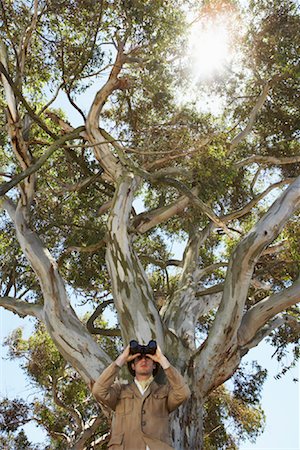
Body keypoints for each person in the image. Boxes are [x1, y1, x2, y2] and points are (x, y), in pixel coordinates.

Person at [92, 342, 191, 449]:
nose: (143, 360)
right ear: (133, 366)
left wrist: (162, 360)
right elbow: (98, 390)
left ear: (154, 365)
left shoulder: (164, 391)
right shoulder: (120, 390)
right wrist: (122, 358)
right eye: (139, 358)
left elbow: (184, 393)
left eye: (148, 358)